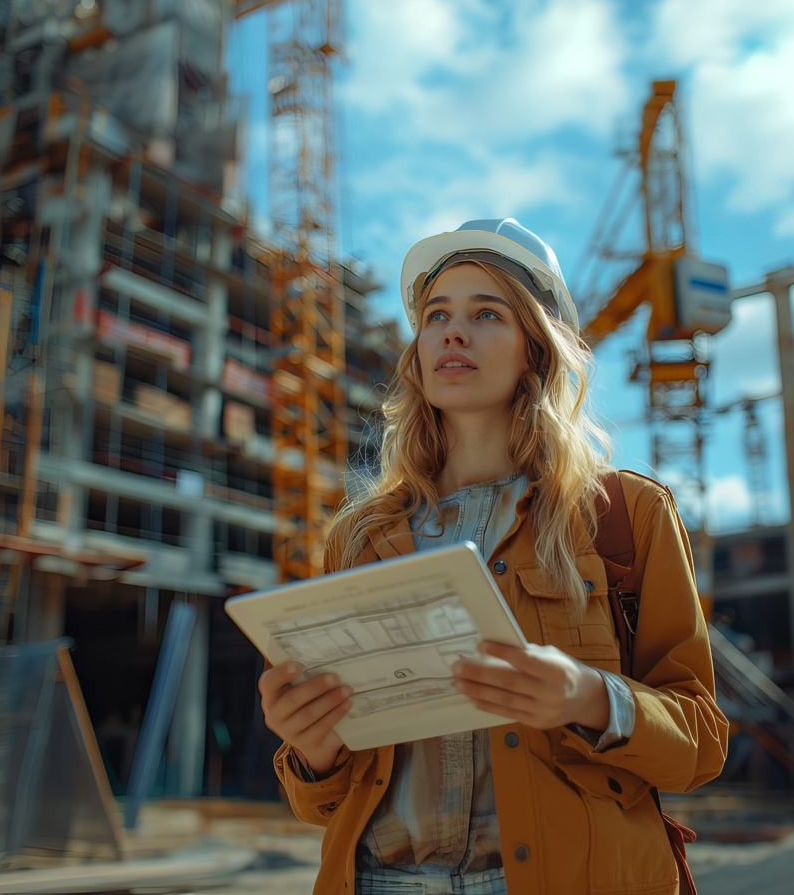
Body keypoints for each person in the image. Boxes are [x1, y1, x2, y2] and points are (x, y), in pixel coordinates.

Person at [258, 218, 728, 894]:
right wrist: (310, 745)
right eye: (436, 315)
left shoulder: (627, 517)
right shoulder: (358, 538)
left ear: (536, 347)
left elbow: (701, 745)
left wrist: (588, 696)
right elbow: (320, 802)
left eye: (486, 313)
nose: (453, 332)